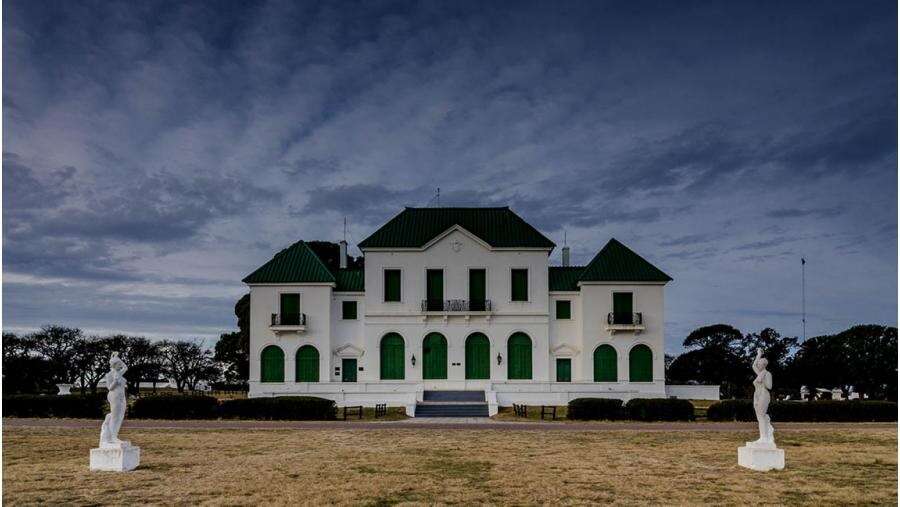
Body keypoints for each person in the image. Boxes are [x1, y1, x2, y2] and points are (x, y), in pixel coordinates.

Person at [99, 352, 128, 446]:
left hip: (122, 396)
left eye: (120, 363)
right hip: (114, 395)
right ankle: (112, 437)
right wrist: (116, 381)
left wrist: (117, 357)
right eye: (119, 364)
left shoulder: (119, 372)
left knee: (120, 416)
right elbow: (109, 387)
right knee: (115, 416)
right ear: (115, 365)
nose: (121, 365)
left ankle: (114, 435)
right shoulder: (109, 375)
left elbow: (126, 367)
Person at [752, 348, 774, 444]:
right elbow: (753, 365)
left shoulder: (767, 374)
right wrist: (758, 355)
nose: (757, 365)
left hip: (764, 395)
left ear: (764, 365)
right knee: (759, 417)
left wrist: (763, 380)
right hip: (757, 395)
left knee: (761, 416)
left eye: (759, 363)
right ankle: (763, 436)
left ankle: (764, 438)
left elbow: (769, 386)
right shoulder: (759, 373)